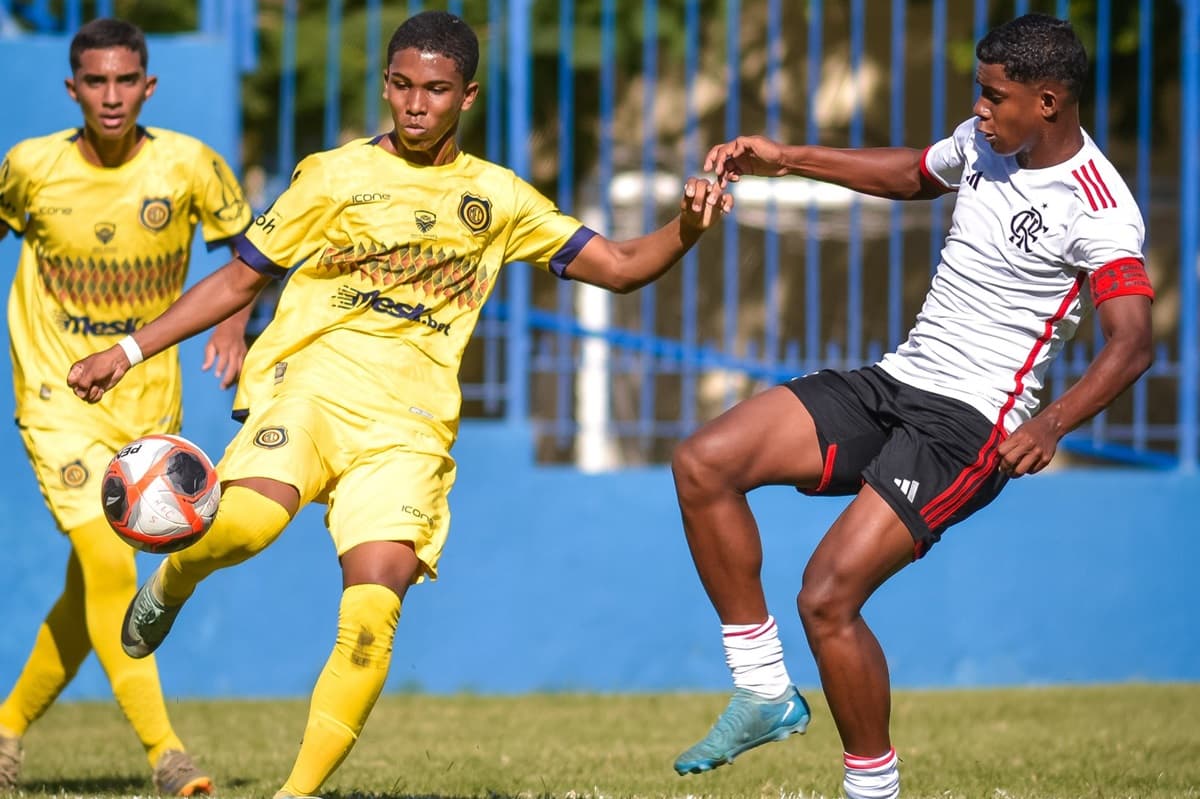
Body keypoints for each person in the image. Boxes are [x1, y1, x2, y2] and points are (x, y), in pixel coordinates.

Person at [68, 10, 731, 798]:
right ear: (387, 85)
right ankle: (176, 578)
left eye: (437, 90)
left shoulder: (499, 198)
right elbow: (240, 281)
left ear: (467, 96)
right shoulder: (334, 175)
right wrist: (128, 349)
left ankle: (295, 793)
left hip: (409, 431)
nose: (417, 105)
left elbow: (621, 266)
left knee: (373, 616)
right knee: (242, 528)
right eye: (404, 87)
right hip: (311, 390)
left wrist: (688, 227)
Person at [669, 14, 1153, 799]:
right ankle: (762, 688)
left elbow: (1132, 341)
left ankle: (873, 789)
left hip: (968, 427)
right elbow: (913, 174)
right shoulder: (986, 142)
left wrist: (1051, 420)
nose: (982, 110)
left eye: (997, 97)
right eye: (979, 93)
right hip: (900, 380)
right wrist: (786, 158)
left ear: (1051, 101)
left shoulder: (1099, 208)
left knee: (827, 597)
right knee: (704, 462)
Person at [0, 18, 252, 796]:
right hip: (55, 392)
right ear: (72, 89)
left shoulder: (188, 166)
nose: (111, 97)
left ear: (148, 87)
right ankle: (167, 755)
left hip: (145, 399)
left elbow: (244, 252)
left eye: (124, 81)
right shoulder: (29, 168)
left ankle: (5, 732)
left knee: (92, 585)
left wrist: (237, 326)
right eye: (95, 82)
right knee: (110, 561)